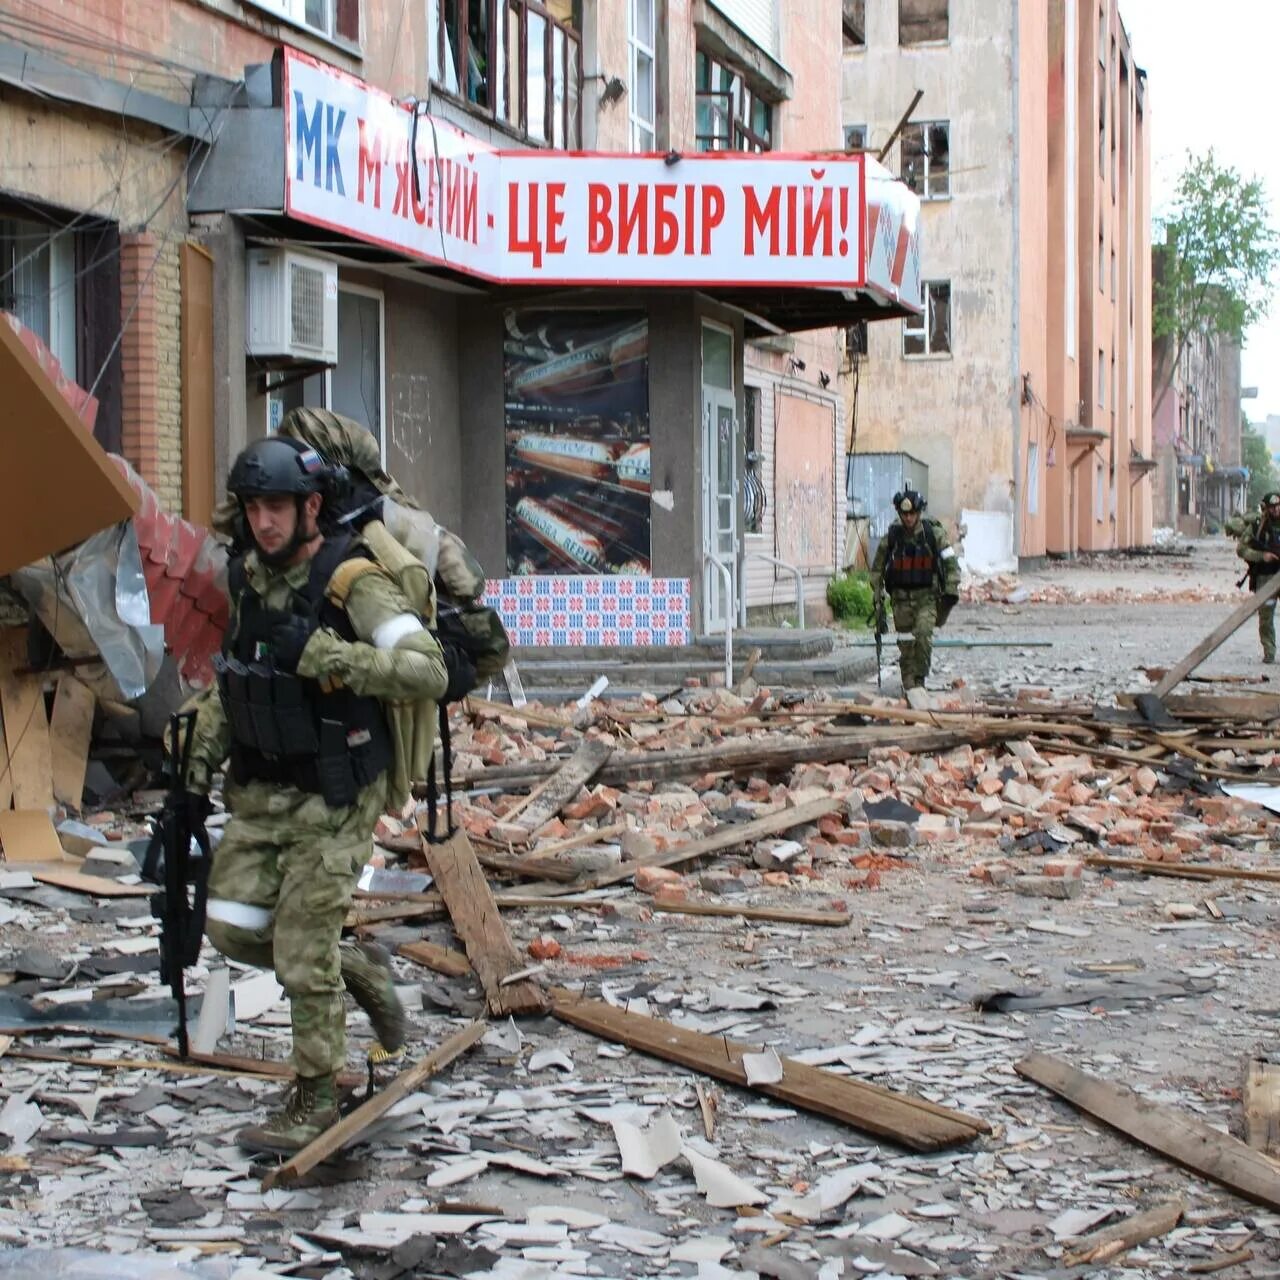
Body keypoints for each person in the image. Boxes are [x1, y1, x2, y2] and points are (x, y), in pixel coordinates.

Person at [181, 436, 475, 1154]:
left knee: (302, 948)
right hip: (262, 792)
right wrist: (191, 774)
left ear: (311, 506)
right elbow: (235, 678)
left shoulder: (353, 581)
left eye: (277, 507)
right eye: (253, 508)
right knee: (231, 926)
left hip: (338, 792)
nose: (264, 522)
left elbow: (428, 672)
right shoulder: (249, 578)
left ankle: (317, 1093)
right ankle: (363, 973)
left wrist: (328, 658)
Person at [869, 489, 960, 690]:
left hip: (926, 598)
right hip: (900, 601)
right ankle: (909, 684)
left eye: (912, 514)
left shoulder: (933, 535)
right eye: (904, 514)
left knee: (924, 637)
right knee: (906, 644)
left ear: (919, 513)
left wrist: (951, 590)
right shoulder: (892, 537)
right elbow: (877, 569)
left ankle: (920, 680)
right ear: (900, 514)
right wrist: (877, 594)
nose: (908, 518)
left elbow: (951, 564)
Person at [1235, 490, 1280, 663]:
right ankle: (1269, 651)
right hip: (1266, 577)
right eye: (1272, 507)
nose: (1275, 511)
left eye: (1278, 506)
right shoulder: (1257, 526)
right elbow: (1241, 549)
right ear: (1266, 508)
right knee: (1266, 617)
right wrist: (1263, 556)